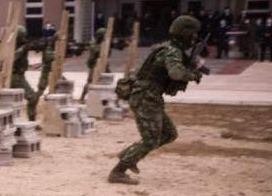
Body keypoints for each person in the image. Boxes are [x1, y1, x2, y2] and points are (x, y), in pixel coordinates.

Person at [108, 15, 203, 185]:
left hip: (149, 96)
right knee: (151, 138)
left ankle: (129, 155)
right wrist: (193, 75)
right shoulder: (171, 51)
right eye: (194, 34)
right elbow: (175, 73)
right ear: (185, 33)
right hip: (145, 96)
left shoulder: (167, 48)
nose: (195, 38)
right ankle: (118, 172)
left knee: (169, 134)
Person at [10, 26, 40, 120]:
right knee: (32, 98)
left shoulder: (21, 45)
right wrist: (23, 48)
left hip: (19, 76)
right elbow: (11, 58)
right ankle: (31, 121)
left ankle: (28, 120)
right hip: (15, 76)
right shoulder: (11, 46)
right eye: (22, 37)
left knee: (13, 102)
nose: (24, 40)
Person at [79, 27, 108, 102]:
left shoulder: (104, 42)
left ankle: (106, 99)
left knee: (108, 79)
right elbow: (97, 51)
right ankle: (82, 97)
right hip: (94, 64)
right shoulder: (93, 43)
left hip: (103, 63)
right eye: (103, 35)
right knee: (90, 81)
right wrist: (105, 45)